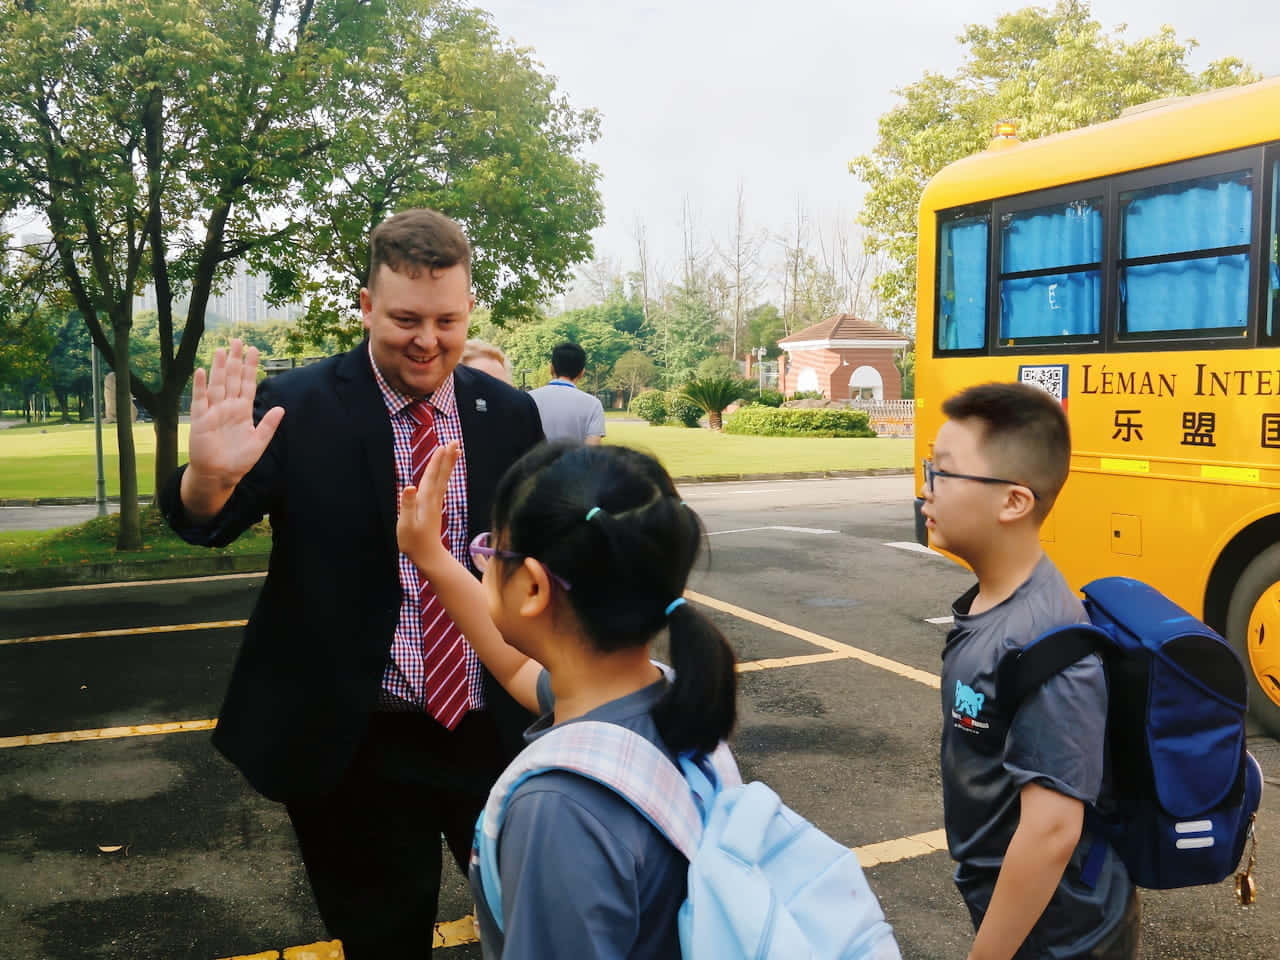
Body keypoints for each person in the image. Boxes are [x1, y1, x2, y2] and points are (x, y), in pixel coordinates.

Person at [157, 209, 544, 960]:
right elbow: (207, 522)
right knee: (381, 942)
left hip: (493, 728)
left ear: (469, 311)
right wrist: (206, 477)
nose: (427, 340)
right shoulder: (296, 406)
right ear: (366, 306)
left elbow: (536, 559)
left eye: (447, 320)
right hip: (356, 743)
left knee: (534, 928)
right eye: (404, 318)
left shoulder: (509, 413)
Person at [397, 440, 738, 959]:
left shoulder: (558, 810)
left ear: (532, 587)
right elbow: (513, 666)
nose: (484, 565)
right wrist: (433, 558)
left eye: (491, 553)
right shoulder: (662, 699)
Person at [921, 382, 1138, 960]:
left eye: (942, 472)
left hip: (1065, 935)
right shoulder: (995, 605)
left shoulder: (1048, 640)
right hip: (1026, 916)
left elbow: (1051, 832)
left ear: (1013, 502)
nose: (926, 489)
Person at [528, 341, 606, 444]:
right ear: (582, 372)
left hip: (535, 460)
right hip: (575, 460)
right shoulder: (593, 405)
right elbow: (591, 450)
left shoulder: (529, 398)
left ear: (551, 368)